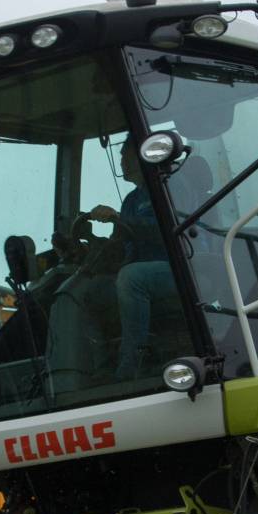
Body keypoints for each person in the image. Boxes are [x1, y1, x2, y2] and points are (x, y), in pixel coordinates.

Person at [84, 145, 184, 380]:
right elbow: (120, 242)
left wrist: (118, 219)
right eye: (120, 157)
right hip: (143, 270)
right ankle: (100, 366)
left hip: (182, 267)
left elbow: (165, 231)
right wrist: (90, 243)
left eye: (126, 155)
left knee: (131, 278)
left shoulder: (170, 186)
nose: (121, 162)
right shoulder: (132, 199)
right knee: (88, 290)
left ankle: (131, 363)